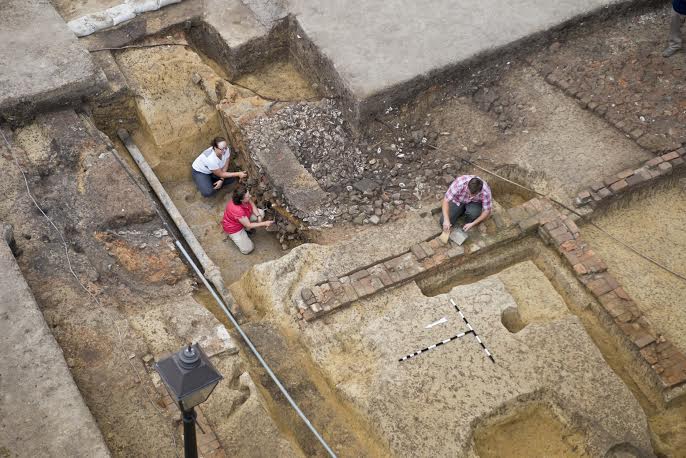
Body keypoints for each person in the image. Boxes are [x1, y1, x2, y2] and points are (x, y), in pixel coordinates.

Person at [222, 186, 273, 254]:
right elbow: (248, 225)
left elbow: (252, 204)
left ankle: (245, 230)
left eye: (249, 194)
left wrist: (258, 216)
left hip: (244, 218)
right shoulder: (237, 210)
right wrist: (264, 223)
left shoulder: (244, 198)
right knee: (248, 249)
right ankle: (236, 235)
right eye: (248, 196)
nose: (250, 196)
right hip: (234, 228)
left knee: (261, 213)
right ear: (241, 200)